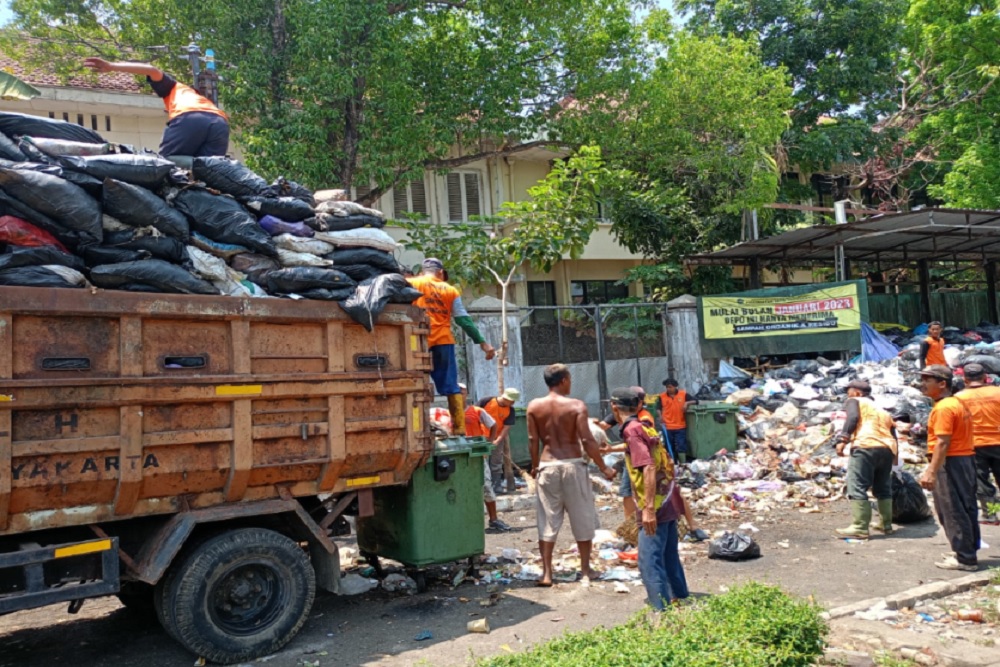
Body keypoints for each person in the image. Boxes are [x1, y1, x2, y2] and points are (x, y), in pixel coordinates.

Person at [527, 363, 615, 587]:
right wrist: (604, 468)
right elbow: (587, 440)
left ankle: (547, 574)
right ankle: (585, 571)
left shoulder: (534, 406)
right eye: (570, 379)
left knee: (547, 520)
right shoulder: (576, 405)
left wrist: (535, 466)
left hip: (547, 466)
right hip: (573, 465)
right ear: (564, 380)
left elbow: (532, 440)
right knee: (582, 518)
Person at [611, 387, 688, 610]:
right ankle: (680, 595)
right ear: (637, 406)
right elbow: (639, 448)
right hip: (668, 495)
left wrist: (647, 510)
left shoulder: (632, 431)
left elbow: (648, 467)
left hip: (655, 503)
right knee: (667, 552)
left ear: (614, 408)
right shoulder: (642, 426)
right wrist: (609, 450)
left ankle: (660, 607)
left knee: (648, 558)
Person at [599, 386, 708, 543]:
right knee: (667, 491)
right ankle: (637, 530)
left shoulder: (642, 420)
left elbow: (641, 450)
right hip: (643, 461)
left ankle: (639, 531)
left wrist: (649, 509)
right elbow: (604, 426)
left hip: (646, 463)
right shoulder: (625, 413)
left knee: (651, 493)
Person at [407, 258, 495, 435]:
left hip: (415, 339)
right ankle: (460, 429)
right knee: (451, 386)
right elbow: (463, 319)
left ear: (423, 271)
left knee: (413, 381)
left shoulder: (410, 283)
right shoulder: (451, 290)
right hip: (443, 340)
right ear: (440, 272)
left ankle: (415, 428)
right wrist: (483, 343)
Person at [82, 58, 230, 157]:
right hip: (220, 122)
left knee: (164, 164)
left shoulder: (173, 88)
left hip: (190, 117)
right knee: (213, 169)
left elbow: (151, 70)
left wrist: (112, 66)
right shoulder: (198, 98)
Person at [918, 365, 979, 571]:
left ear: (942, 384)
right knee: (965, 507)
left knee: (951, 509)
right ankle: (968, 550)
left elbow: (943, 442)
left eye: (928, 380)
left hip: (951, 461)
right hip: (965, 460)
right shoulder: (956, 403)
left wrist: (931, 471)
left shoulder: (944, 407)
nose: (923, 384)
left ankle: (965, 558)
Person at [834, 379, 898, 539]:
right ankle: (886, 524)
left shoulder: (855, 400)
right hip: (887, 448)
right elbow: (892, 431)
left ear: (857, 392)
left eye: (848, 391)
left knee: (857, 485)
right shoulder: (881, 409)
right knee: (882, 487)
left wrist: (843, 439)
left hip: (865, 445)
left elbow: (853, 418)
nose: (847, 395)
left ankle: (860, 527)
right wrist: (896, 456)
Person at [461, 384, 512, 533]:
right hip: (457, 457)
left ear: (467, 394)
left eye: (462, 391)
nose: (458, 394)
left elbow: (493, 424)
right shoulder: (448, 412)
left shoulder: (476, 411)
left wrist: (490, 441)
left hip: (477, 455)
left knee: (486, 486)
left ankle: (494, 519)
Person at [956, 363, 1000, 524]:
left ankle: (991, 514)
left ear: (965, 379)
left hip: (975, 444)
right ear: (985, 377)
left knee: (982, 481)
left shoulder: (959, 398)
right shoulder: (998, 392)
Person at [480, 389, 520, 495]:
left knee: (496, 463)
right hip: (480, 437)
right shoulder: (486, 401)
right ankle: (482, 488)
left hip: (497, 437)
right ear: (505, 398)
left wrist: (497, 440)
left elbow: (506, 428)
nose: (513, 403)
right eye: (511, 401)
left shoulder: (510, 410)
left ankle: (496, 487)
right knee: (481, 462)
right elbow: (476, 414)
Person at [656, 379, 697, 463]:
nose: (668, 389)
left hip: (680, 425)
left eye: (670, 387)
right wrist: (660, 416)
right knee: (669, 446)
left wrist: (686, 403)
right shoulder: (662, 396)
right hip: (667, 426)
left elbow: (696, 401)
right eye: (667, 387)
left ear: (675, 386)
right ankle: (672, 463)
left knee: (681, 445)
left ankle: (682, 463)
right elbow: (658, 408)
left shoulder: (683, 394)